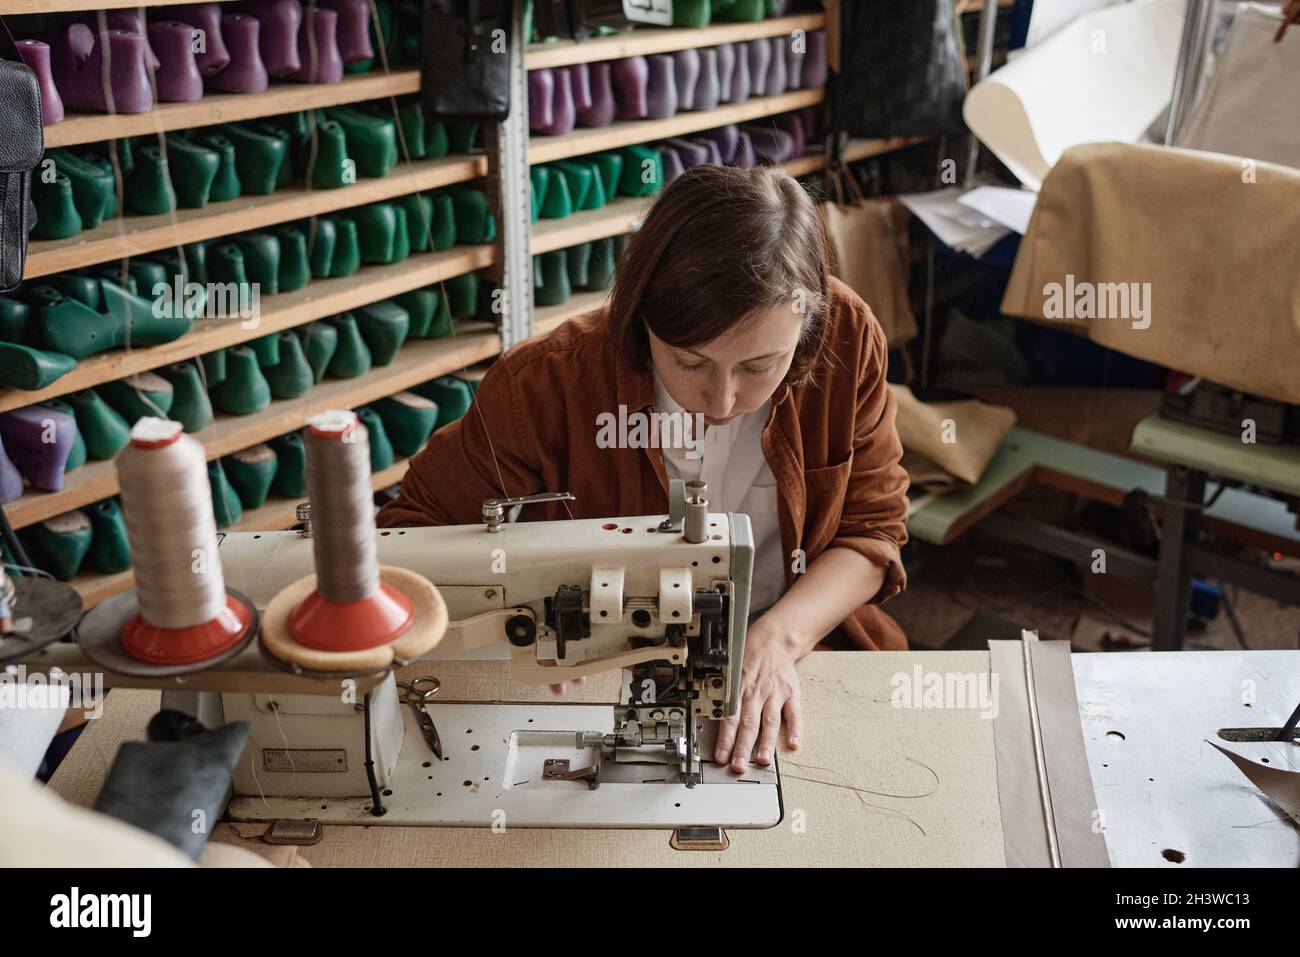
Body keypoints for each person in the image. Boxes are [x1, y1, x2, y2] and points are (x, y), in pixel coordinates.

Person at [378, 164, 909, 774]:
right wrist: (523, 624)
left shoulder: (849, 339)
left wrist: (779, 637)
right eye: (689, 362)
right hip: (595, 670)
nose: (720, 403)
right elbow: (412, 541)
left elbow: (874, 532)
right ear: (641, 315)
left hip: (797, 642)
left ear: (808, 327)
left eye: (760, 367)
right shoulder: (542, 388)